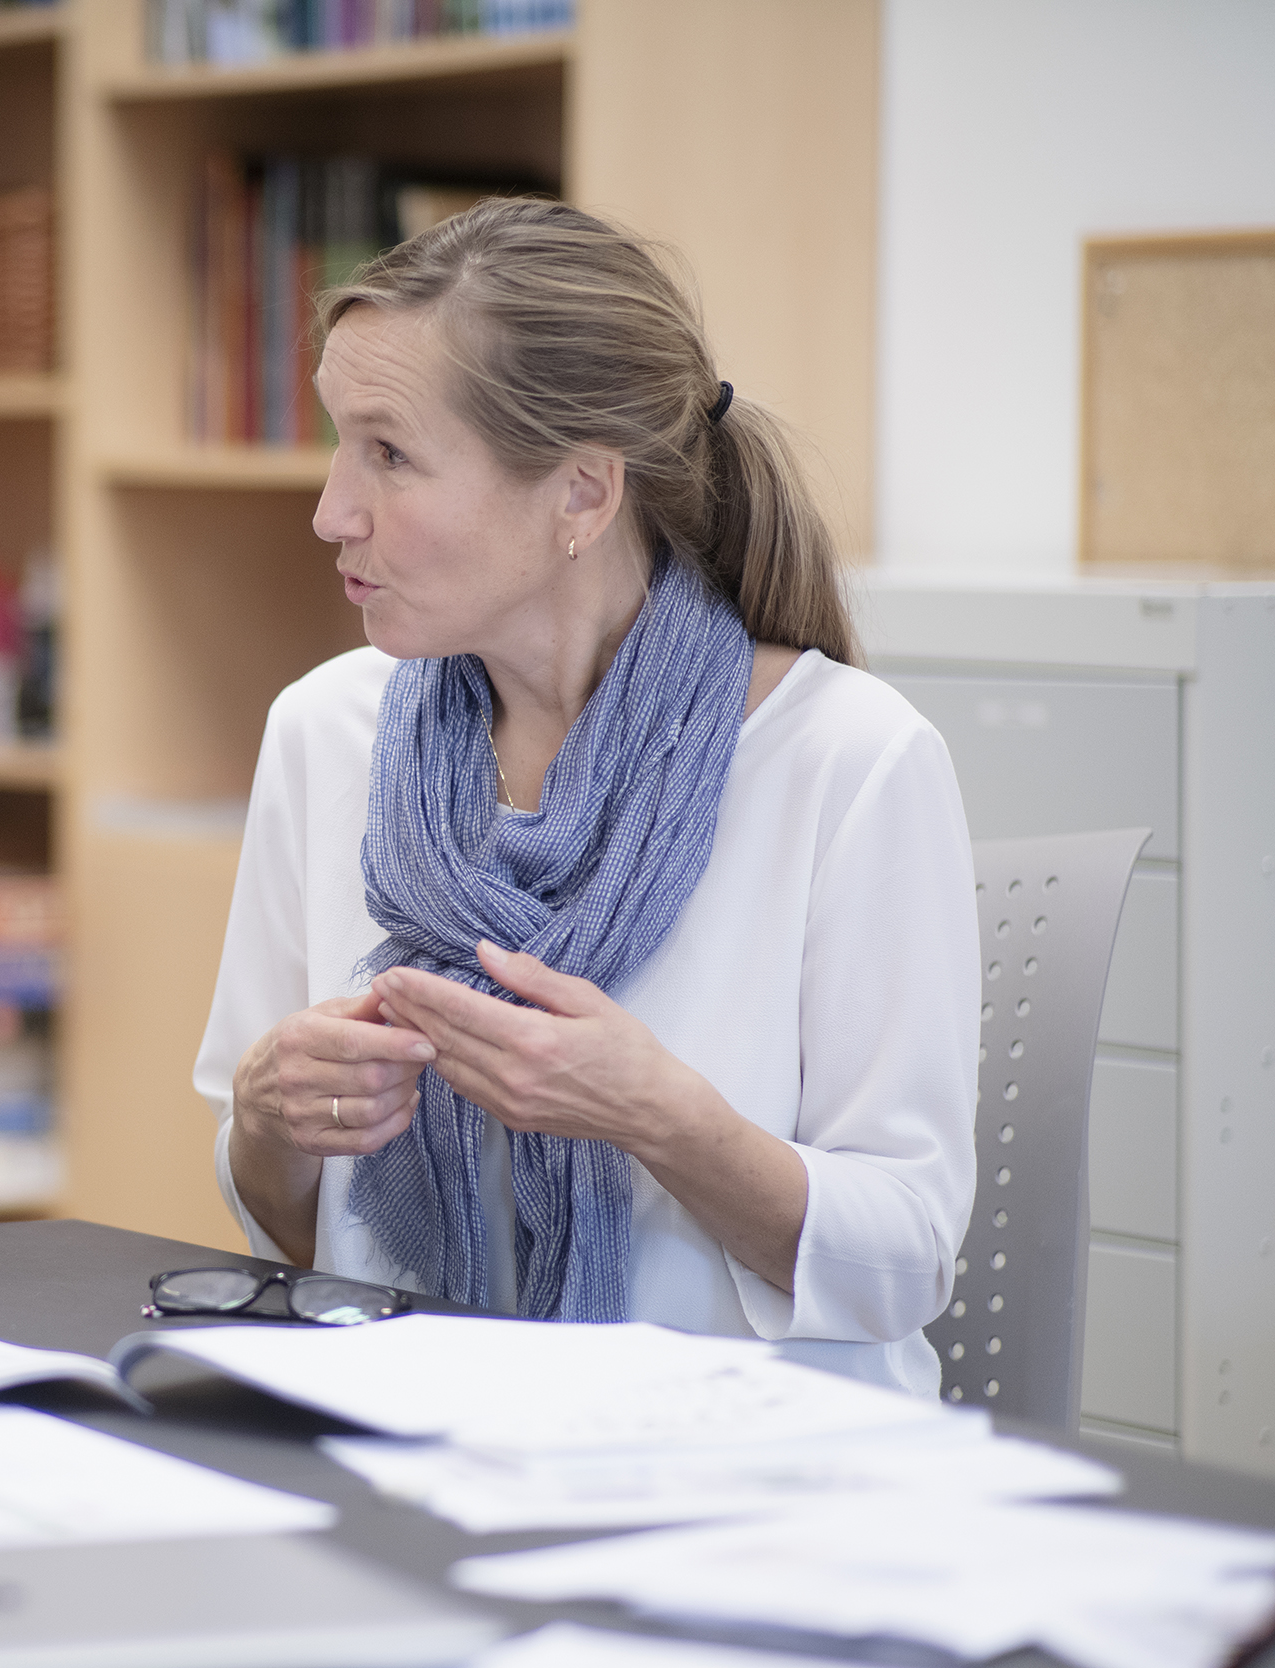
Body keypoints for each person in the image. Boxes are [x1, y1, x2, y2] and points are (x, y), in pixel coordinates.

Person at [194, 199, 976, 1392]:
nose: (330, 512)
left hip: (752, 1482)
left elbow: (902, 1264)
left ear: (580, 497)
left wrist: (656, 1115)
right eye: (338, 446)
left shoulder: (850, 762)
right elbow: (291, 1240)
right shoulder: (322, 732)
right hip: (407, 1433)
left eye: (389, 455)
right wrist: (266, 1122)